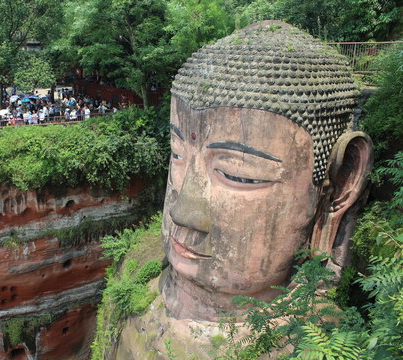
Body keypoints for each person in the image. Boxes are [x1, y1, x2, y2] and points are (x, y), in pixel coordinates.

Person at [116, 21, 373, 359]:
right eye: (177, 155)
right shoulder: (135, 286)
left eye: (237, 174)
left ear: (340, 184)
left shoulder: (317, 347)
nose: (182, 213)